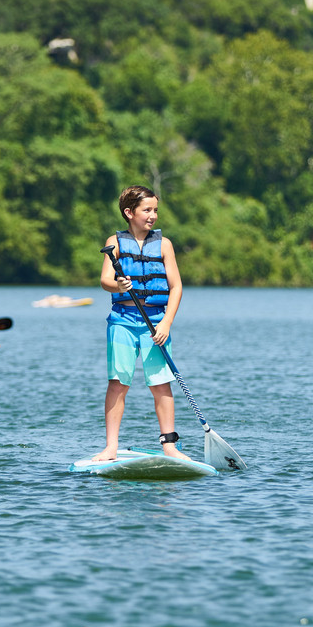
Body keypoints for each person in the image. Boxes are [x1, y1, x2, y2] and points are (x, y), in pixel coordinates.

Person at [91, 185, 188, 462]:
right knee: (118, 382)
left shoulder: (165, 244)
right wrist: (119, 285)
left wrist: (167, 323)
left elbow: (176, 287)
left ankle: (169, 446)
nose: (153, 215)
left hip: (156, 323)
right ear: (129, 212)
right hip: (122, 321)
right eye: (147, 210)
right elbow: (105, 281)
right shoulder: (116, 242)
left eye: (155, 210)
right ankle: (111, 447)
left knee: (160, 384)